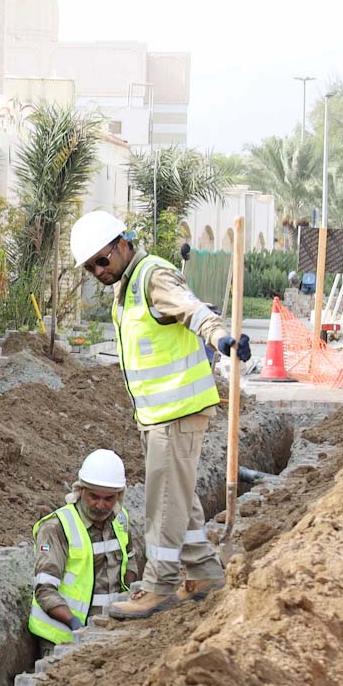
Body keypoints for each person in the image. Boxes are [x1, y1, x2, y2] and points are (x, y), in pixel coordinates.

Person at [67, 211, 250, 621]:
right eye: (90, 267)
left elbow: (192, 310)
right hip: (159, 414)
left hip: (178, 412)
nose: (98, 271)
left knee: (163, 502)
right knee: (179, 498)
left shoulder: (152, 276)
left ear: (122, 243)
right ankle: (202, 570)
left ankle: (158, 583)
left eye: (101, 260)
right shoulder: (127, 286)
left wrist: (221, 338)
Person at [27, 449, 141, 653]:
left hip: (108, 630)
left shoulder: (120, 519)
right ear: (81, 491)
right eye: (94, 497)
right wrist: (74, 624)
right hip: (62, 638)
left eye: (108, 499)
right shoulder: (56, 527)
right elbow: (45, 589)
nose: (101, 505)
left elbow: (129, 561)